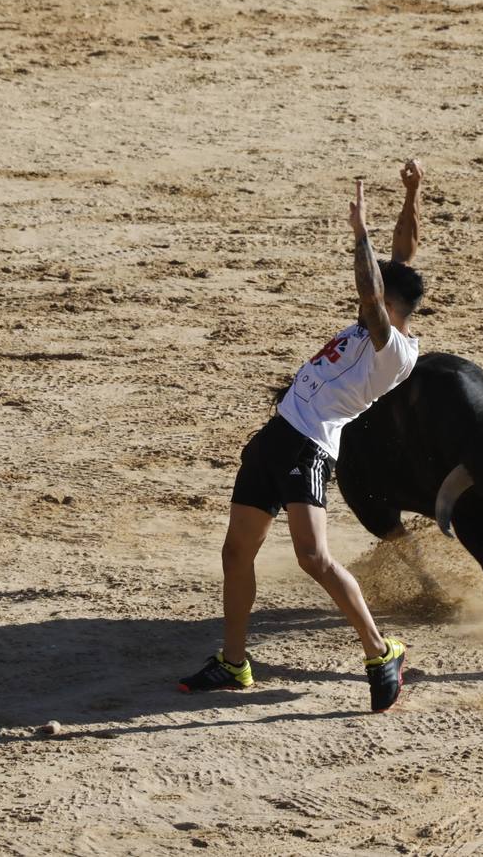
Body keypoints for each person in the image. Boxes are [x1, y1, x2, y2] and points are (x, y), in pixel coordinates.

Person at [179, 159, 426, 712]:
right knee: (235, 551)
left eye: (377, 296)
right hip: (275, 437)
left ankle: (381, 651)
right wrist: (413, 191)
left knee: (313, 558)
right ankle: (234, 662)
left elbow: (370, 284)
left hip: (309, 447)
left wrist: (359, 232)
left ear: (390, 307)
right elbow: (405, 252)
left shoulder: (394, 349)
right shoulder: (381, 314)